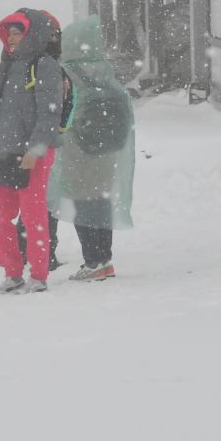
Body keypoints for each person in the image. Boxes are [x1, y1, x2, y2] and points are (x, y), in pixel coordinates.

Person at [0, 8, 66, 295]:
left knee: (33, 216)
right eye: (8, 33)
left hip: (33, 154)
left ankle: (38, 276)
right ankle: (12, 274)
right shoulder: (7, 66)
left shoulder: (43, 64)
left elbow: (51, 112)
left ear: (31, 34)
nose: (11, 39)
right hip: (5, 154)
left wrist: (36, 148)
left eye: (17, 32)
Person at [48, 16, 136, 282]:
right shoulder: (103, 69)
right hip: (108, 151)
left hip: (79, 149)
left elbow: (64, 109)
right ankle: (104, 259)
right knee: (100, 201)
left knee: (82, 203)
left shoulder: (68, 72)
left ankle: (93, 262)